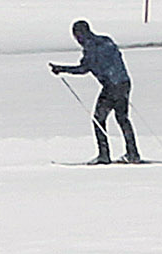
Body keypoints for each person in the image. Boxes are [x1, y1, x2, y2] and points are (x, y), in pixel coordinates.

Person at [51, 20, 141, 163]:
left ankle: (104, 155)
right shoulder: (106, 40)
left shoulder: (91, 47)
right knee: (123, 119)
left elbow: (84, 69)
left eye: (76, 35)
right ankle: (133, 154)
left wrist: (61, 69)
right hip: (124, 83)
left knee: (99, 120)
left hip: (111, 86)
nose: (77, 39)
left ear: (80, 34)